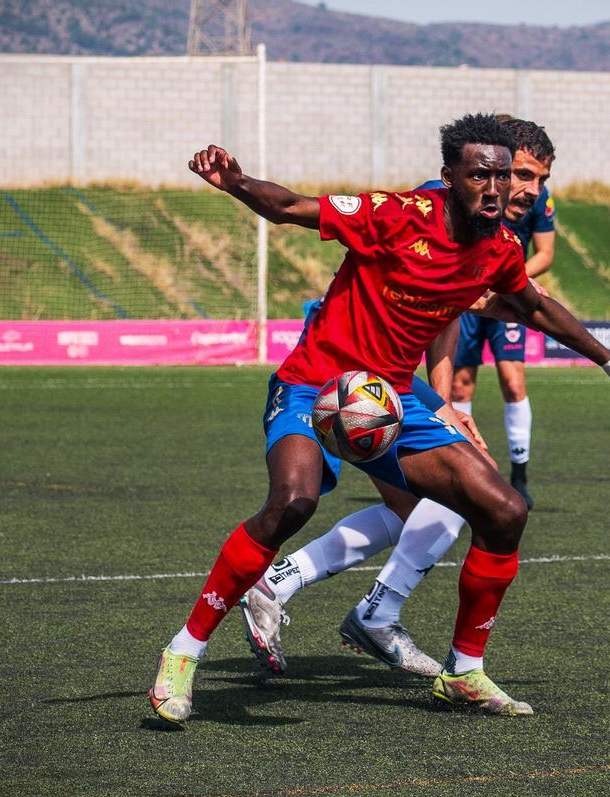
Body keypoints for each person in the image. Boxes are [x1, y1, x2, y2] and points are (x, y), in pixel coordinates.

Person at [149, 113, 610, 723]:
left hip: (392, 397)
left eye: (504, 177)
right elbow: (290, 207)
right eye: (480, 176)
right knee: (293, 501)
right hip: (315, 382)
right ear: (450, 177)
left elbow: (535, 308)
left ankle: (464, 670)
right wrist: (235, 182)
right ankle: (184, 650)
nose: (495, 189)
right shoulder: (396, 213)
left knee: (503, 509)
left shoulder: (499, 248)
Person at [237, 119, 559, 679]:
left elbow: (448, 312)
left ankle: (334, 601)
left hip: (395, 384)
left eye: (536, 179)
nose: (527, 190)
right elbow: (436, 302)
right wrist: (443, 400)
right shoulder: (438, 207)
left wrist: (444, 400)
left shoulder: (498, 222)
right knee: (445, 501)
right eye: (521, 175)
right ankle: (356, 609)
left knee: (433, 508)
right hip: (342, 373)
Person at [442, 118, 556, 510]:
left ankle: (519, 474)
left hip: (504, 296)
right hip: (467, 296)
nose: (530, 187)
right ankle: (465, 470)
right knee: (460, 387)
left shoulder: (536, 195)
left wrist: (512, 279)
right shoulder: (473, 192)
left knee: (513, 379)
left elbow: (545, 253)